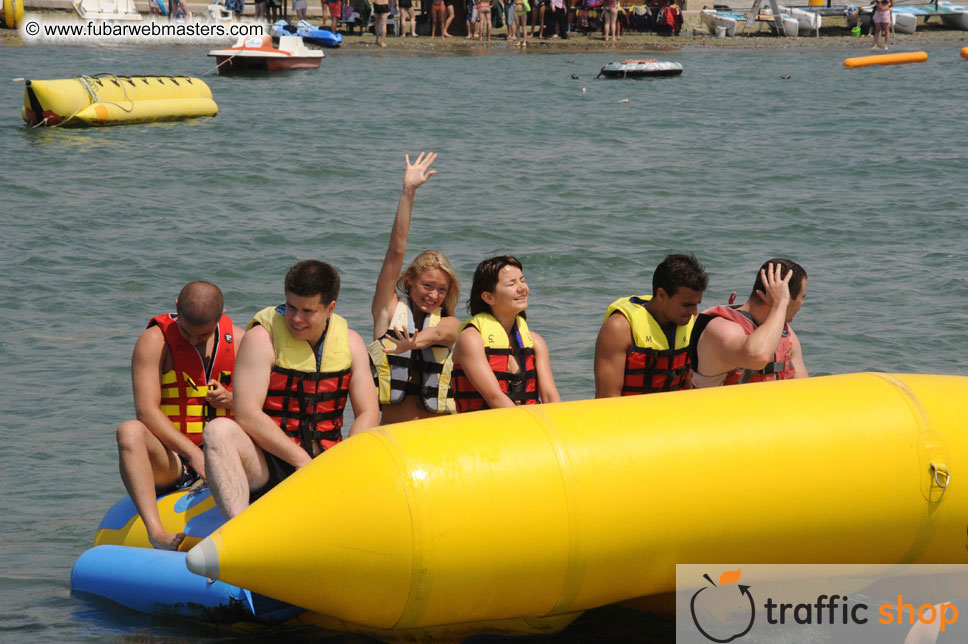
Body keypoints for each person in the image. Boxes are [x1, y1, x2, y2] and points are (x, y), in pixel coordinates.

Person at [203, 261, 379, 519]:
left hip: (328, 461)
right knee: (218, 430)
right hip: (270, 463)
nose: (296, 318)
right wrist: (301, 461)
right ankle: (241, 529)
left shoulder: (351, 343)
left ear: (330, 308)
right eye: (291, 307)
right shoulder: (262, 339)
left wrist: (346, 462)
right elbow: (247, 414)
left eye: (308, 311)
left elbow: (367, 412)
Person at [115, 281, 244, 550]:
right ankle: (156, 532)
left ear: (221, 317)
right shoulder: (154, 341)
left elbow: (262, 407)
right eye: (185, 332)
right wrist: (195, 455)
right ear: (176, 307)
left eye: (203, 335)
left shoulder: (241, 342)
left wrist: (232, 400)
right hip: (173, 459)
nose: (193, 341)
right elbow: (146, 411)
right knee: (129, 431)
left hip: (227, 454)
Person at [370, 153, 461, 425]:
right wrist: (408, 191)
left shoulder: (451, 323)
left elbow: (441, 333)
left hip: (438, 434)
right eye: (427, 286)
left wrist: (413, 344)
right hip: (393, 431)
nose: (433, 295)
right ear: (410, 280)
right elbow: (395, 253)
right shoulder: (387, 310)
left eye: (441, 290)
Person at [451, 255, 560, 411]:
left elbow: (551, 397)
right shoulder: (471, 340)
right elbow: (495, 398)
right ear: (488, 297)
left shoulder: (536, 342)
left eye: (522, 280)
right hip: (484, 429)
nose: (522, 288)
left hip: (526, 428)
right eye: (511, 283)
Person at [594, 254, 708, 398]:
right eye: (687, 305)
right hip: (631, 416)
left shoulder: (692, 323)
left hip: (673, 415)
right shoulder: (619, 329)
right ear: (661, 295)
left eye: (696, 304)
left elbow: (689, 386)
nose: (694, 312)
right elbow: (607, 399)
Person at [690, 259, 808, 388]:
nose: (801, 303)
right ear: (785, 297)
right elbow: (757, 357)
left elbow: (802, 386)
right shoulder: (721, 328)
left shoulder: (786, 333)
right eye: (802, 297)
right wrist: (780, 305)